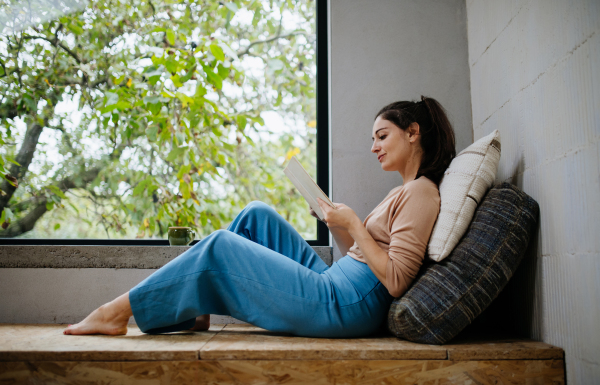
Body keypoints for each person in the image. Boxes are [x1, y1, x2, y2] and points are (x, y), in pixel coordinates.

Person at [63, 96, 456, 338]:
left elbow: (397, 281)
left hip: (343, 305)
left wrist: (354, 223)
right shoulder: (404, 191)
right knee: (257, 215)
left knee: (220, 246)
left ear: (413, 132)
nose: (373, 147)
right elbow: (362, 255)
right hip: (338, 283)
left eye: (382, 136)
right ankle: (197, 309)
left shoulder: (422, 192)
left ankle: (114, 314)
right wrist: (337, 224)